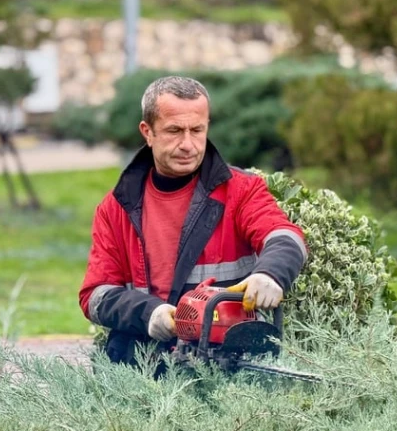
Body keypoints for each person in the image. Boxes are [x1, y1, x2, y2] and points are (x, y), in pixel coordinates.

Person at [78, 75, 308, 370]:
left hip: (222, 366)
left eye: (197, 130)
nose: (188, 144)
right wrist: (150, 314)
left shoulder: (241, 191)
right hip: (137, 366)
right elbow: (95, 295)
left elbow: (285, 237)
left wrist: (271, 274)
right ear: (148, 132)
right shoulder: (115, 208)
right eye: (174, 131)